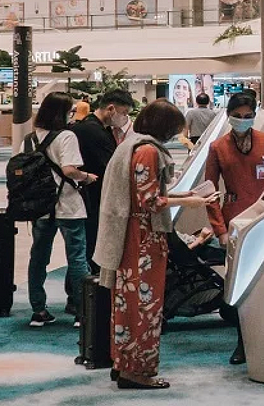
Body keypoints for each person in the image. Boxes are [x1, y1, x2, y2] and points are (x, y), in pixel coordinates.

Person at [93, 99, 217, 390]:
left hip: (130, 235)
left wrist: (183, 193)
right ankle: (139, 369)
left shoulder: (132, 145)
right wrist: (189, 200)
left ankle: (124, 363)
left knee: (126, 303)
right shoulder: (148, 151)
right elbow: (150, 201)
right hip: (144, 238)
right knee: (145, 306)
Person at [204, 92, 264, 365]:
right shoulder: (218, 147)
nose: (242, 120)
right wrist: (220, 230)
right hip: (235, 222)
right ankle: (243, 341)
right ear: (228, 116)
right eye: (237, 116)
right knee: (241, 285)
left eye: (247, 116)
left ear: (255, 115)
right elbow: (209, 191)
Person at [24, 92, 98, 328]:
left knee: (38, 258)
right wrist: (86, 177)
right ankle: (82, 311)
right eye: (70, 111)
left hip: (40, 207)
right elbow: (69, 169)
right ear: (62, 112)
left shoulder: (30, 138)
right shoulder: (67, 136)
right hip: (68, 205)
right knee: (77, 258)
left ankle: (38, 310)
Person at [72, 89, 133, 277]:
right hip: (92, 196)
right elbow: (110, 166)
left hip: (93, 195)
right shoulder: (93, 131)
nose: (124, 118)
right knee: (90, 245)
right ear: (111, 108)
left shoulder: (96, 128)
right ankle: (82, 295)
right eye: (124, 113)